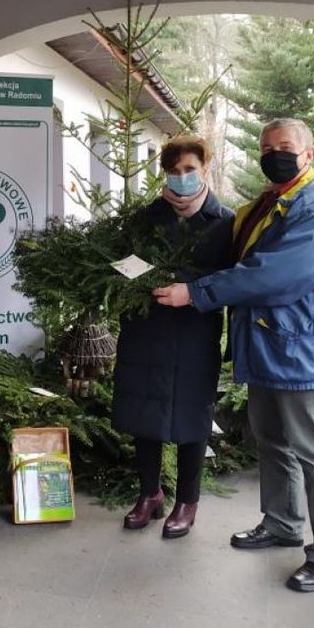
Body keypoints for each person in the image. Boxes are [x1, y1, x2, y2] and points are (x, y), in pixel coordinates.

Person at [152, 118, 314, 592]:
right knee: (273, 441)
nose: (273, 154)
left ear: (309, 153)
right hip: (267, 346)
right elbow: (227, 242)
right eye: (266, 147)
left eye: (284, 147)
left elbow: (270, 275)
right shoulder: (271, 204)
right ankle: (283, 523)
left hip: (299, 351)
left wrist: (195, 293)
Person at [111, 135, 235, 539]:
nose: (181, 178)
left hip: (194, 331)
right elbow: (120, 261)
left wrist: (190, 289)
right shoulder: (145, 218)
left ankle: (187, 500)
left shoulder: (226, 222)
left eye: (189, 170)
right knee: (144, 411)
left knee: (191, 414)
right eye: (174, 171)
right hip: (146, 327)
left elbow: (233, 279)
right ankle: (150, 493)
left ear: (205, 169)